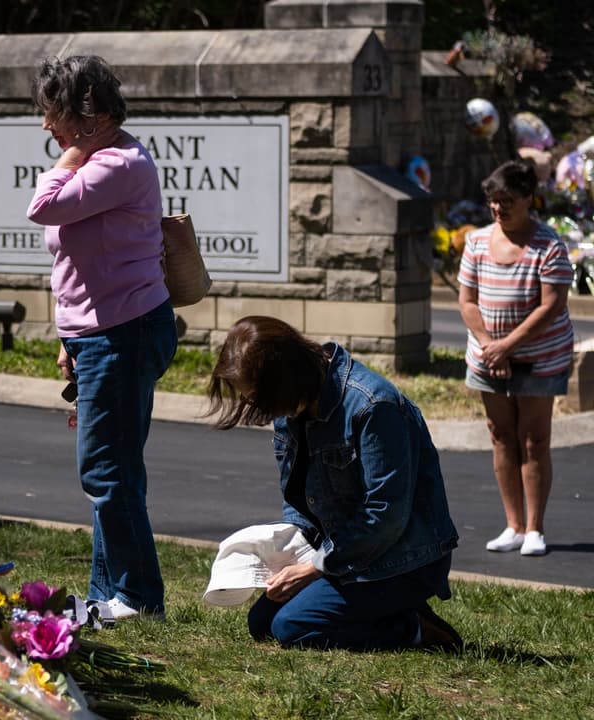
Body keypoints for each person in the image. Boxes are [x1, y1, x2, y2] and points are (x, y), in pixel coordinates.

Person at [206, 316, 462, 651]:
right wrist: (285, 547)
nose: (256, 408)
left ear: (284, 379)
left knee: (293, 627)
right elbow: (299, 501)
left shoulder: (373, 405)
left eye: (257, 398)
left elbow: (385, 515)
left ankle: (414, 627)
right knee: (262, 623)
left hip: (403, 558)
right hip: (345, 554)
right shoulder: (291, 408)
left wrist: (314, 568)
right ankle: (383, 610)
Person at [25, 55, 177, 620]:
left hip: (124, 333)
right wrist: (70, 336)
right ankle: (107, 594)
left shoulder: (117, 163)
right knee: (111, 468)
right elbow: (80, 262)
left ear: (86, 113)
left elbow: (42, 206)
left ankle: (138, 598)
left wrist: (70, 154)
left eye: (53, 114)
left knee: (106, 469)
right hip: (101, 332)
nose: (47, 128)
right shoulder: (102, 161)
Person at [458, 159, 574, 558]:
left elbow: (552, 306)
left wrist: (507, 346)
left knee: (534, 439)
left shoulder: (549, 246)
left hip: (538, 359)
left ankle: (535, 529)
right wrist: (491, 346)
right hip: (489, 356)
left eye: (506, 200)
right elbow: (467, 301)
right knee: (500, 435)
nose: (498, 208)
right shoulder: (476, 242)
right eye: (492, 201)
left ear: (528, 198)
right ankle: (513, 525)